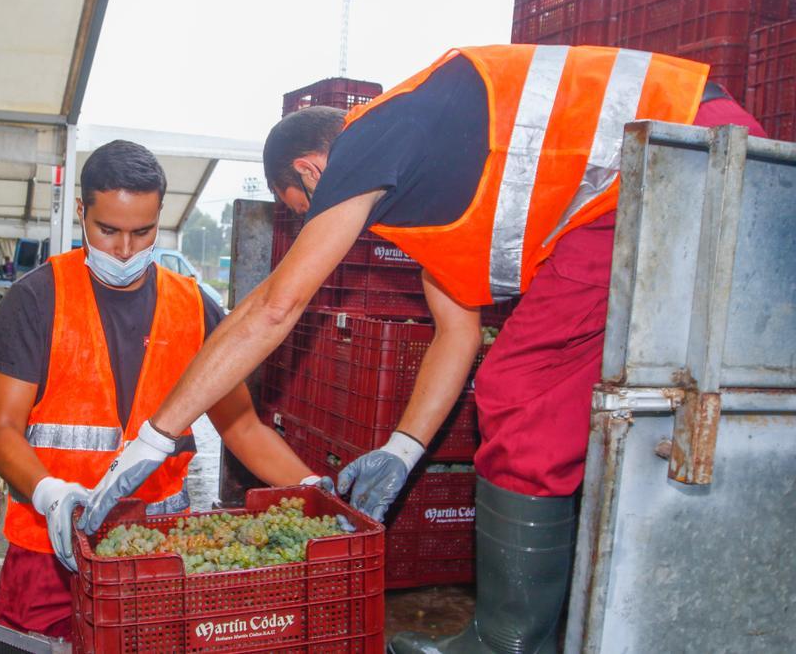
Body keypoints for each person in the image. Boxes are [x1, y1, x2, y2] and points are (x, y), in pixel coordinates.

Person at [72, 46, 768, 654]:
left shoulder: (371, 138)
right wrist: (402, 450)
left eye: (304, 209)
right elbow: (459, 331)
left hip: (668, 149)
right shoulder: (433, 187)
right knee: (540, 389)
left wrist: (155, 438)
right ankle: (526, 634)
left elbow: (275, 307)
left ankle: (506, 643)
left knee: (523, 386)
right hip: (674, 156)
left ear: (314, 171)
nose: (318, 225)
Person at [0, 140, 327, 640]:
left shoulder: (192, 306)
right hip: (47, 551)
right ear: (82, 213)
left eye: (143, 232)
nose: (125, 249)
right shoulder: (37, 299)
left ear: (160, 216)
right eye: (108, 230)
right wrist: (50, 493)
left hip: (155, 551)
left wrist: (312, 490)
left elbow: (242, 426)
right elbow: (2, 428)